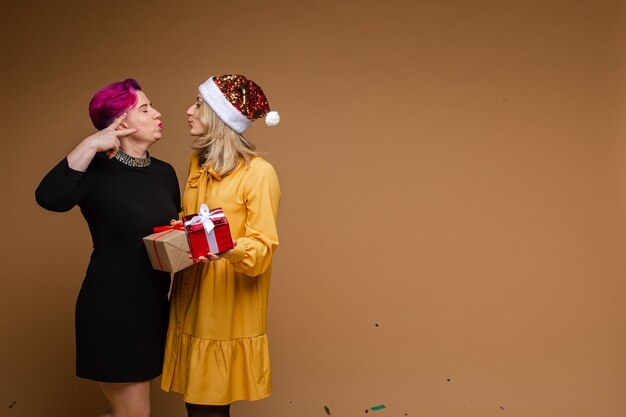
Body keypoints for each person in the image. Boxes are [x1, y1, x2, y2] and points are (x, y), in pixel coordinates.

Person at [35, 78, 180, 417]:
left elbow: (171, 235)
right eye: (145, 108)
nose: (157, 113)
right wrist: (89, 144)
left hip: (154, 308)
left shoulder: (164, 173)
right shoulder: (94, 169)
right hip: (112, 310)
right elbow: (49, 198)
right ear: (121, 123)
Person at [161, 74, 281, 417]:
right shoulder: (198, 164)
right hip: (190, 301)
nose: (188, 111)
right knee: (196, 407)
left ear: (219, 115)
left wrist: (229, 248)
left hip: (224, 310)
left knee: (208, 410)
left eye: (198, 104)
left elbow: (262, 249)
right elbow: (194, 220)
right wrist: (180, 230)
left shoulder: (259, 173)